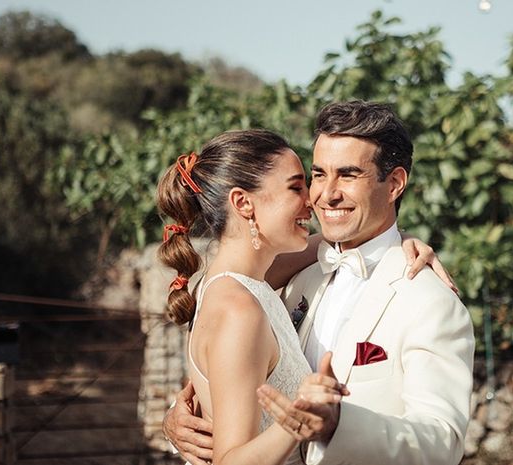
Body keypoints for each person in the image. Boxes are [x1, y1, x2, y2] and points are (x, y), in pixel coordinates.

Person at [165, 101, 474, 465]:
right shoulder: (292, 277)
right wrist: (178, 419)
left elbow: (442, 442)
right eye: (318, 175)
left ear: (394, 184)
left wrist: (339, 425)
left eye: (348, 174)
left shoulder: (429, 301)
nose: (324, 195)